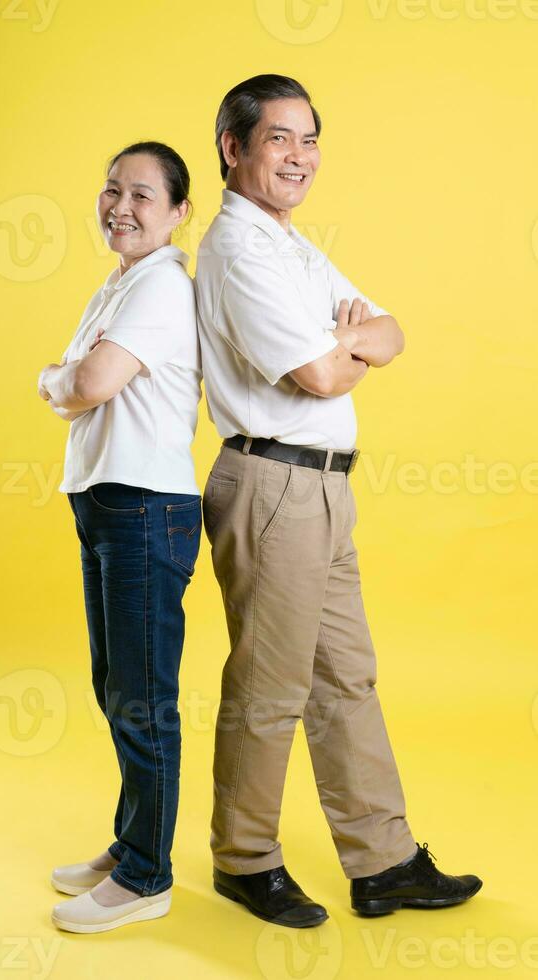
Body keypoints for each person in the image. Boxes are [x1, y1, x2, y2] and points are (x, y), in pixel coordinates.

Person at [195, 74, 482, 925]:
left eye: (309, 138)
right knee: (270, 685)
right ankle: (243, 860)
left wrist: (349, 340)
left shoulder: (291, 245)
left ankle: (383, 860)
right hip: (274, 481)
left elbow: (391, 330)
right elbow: (322, 371)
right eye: (278, 137)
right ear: (233, 148)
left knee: (345, 679)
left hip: (321, 487)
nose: (299, 155)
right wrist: (346, 344)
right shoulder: (238, 250)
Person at [37, 141, 202, 934]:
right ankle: (132, 839)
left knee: (142, 699)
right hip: (109, 503)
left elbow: (88, 382)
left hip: (145, 507)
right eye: (111, 190)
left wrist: (55, 379)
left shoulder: (162, 287)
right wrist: (70, 379)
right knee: (118, 688)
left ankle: (147, 877)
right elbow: (86, 380)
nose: (120, 207)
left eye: (141, 195)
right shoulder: (122, 282)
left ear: (178, 213)